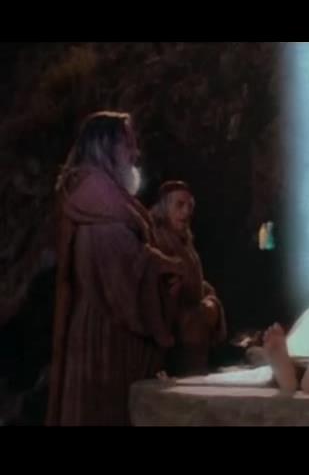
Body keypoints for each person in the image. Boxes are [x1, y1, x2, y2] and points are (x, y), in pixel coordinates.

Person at [47, 112, 183, 426]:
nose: (136, 153)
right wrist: (164, 267)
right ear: (104, 147)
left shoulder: (117, 202)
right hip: (98, 338)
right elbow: (99, 274)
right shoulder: (87, 199)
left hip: (119, 336)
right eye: (128, 144)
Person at [151, 181, 227, 376]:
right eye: (179, 205)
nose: (186, 212)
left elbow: (192, 278)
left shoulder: (184, 239)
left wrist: (208, 296)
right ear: (164, 207)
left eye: (190, 206)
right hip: (178, 338)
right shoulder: (157, 240)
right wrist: (202, 309)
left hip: (194, 335)